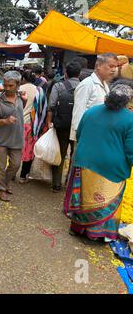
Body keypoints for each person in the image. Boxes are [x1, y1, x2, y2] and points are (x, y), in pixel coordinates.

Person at [64, 79, 133, 243]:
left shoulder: (91, 111)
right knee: (104, 199)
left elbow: (79, 134)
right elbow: (131, 151)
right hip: (111, 168)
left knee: (84, 198)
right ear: (128, 100)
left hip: (84, 161)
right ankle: (99, 233)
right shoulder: (130, 119)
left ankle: (78, 228)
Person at [0, 71, 25, 202]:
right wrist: (4, 121)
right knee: (0, 166)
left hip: (16, 137)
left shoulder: (21, 98)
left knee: (15, 164)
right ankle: (1, 189)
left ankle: (4, 183)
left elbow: (20, 111)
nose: (7, 88)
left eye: (11, 85)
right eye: (6, 85)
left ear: (18, 85)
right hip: (1, 139)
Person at [47, 62, 81, 192]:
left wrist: (50, 123)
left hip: (61, 125)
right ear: (79, 74)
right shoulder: (84, 86)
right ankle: (71, 183)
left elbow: (52, 106)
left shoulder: (59, 85)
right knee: (75, 155)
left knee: (59, 153)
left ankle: (56, 184)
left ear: (66, 73)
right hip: (78, 126)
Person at [70, 53, 118, 143]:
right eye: (111, 66)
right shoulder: (87, 84)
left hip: (99, 133)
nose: (114, 70)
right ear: (99, 66)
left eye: (115, 67)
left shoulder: (105, 85)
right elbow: (78, 112)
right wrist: (79, 136)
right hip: (87, 134)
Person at [19, 70, 48, 183]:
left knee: (14, 149)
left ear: (23, 79)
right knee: (28, 150)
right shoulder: (39, 90)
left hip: (17, 123)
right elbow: (43, 109)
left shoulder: (19, 89)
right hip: (32, 125)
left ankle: (11, 173)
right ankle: (23, 175)